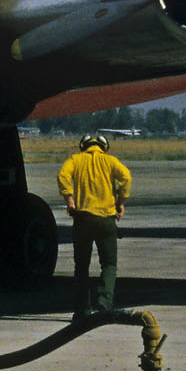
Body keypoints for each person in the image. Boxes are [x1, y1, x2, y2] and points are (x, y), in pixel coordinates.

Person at [57, 133, 132, 317]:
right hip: (106, 220)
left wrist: (70, 200)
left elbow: (63, 175)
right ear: (103, 146)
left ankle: (82, 309)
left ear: (83, 146)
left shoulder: (75, 159)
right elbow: (126, 177)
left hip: (83, 219)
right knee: (108, 264)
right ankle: (104, 304)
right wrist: (120, 203)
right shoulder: (110, 161)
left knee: (81, 266)